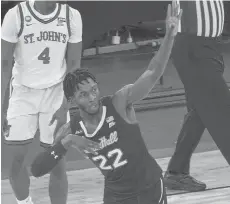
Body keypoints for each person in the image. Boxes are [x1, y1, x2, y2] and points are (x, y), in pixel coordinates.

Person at [30, 2, 182, 204]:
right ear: (72, 100)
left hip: (148, 188)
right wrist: (68, 142)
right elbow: (37, 169)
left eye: (93, 90)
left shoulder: (119, 103)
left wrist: (169, 37)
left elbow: (153, 72)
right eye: (84, 94)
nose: (92, 97)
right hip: (117, 196)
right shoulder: (71, 130)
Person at [1, 1, 82, 204]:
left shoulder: (71, 16)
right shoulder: (15, 15)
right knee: (16, 160)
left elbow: (74, 66)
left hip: (56, 92)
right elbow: (4, 66)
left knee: (57, 160)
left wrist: (65, 106)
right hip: (22, 92)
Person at [164, 0, 230, 192]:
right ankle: (175, 173)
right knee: (221, 108)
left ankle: (176, 172)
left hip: (209, 45)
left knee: (199, 112)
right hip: (192, 44)